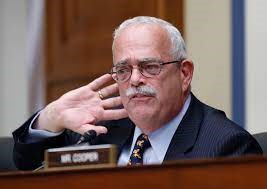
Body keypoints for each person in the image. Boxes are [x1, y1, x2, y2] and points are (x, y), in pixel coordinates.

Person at [13, 16, 262, 170]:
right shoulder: (99, 132)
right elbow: (26, 163)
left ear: (184, 74)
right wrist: (52, 115)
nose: (134, 80)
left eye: (149, 67)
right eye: (123, 69)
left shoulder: (226, 147)